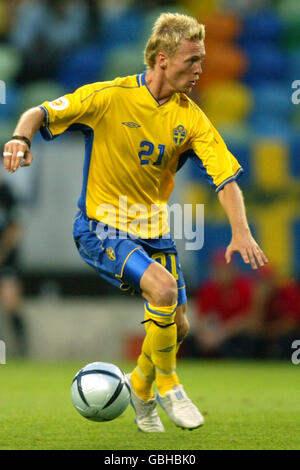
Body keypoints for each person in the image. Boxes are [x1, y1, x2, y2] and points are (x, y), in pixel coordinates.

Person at [2, 13, 268, 432]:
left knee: (178, 326)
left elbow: (225, 177)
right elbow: (38, 112)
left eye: (201, 60)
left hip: (154, 231)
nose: (200, 70)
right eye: (191, 60)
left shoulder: (191, 117)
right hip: (100, 227)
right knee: (162, 289)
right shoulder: (110, 96)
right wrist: (20, 138)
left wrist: (241, 230)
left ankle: (140, 389)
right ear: (162, 59)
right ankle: (169, 386)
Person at [188, 250, 263, 359]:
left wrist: (223, 333)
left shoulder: (245, 287)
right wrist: (206, 334)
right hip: (214, 333)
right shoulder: (208, 289)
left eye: (224, 268)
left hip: (236, 335)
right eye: (217, 268)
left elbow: (251, 319)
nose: (220, 272)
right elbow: (201, 317)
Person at [0, 170, 27, 357]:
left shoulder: (7, 194)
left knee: (11, 304)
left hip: (6, 260)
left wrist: (2, 253)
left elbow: (15, 229)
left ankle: (21, 349)